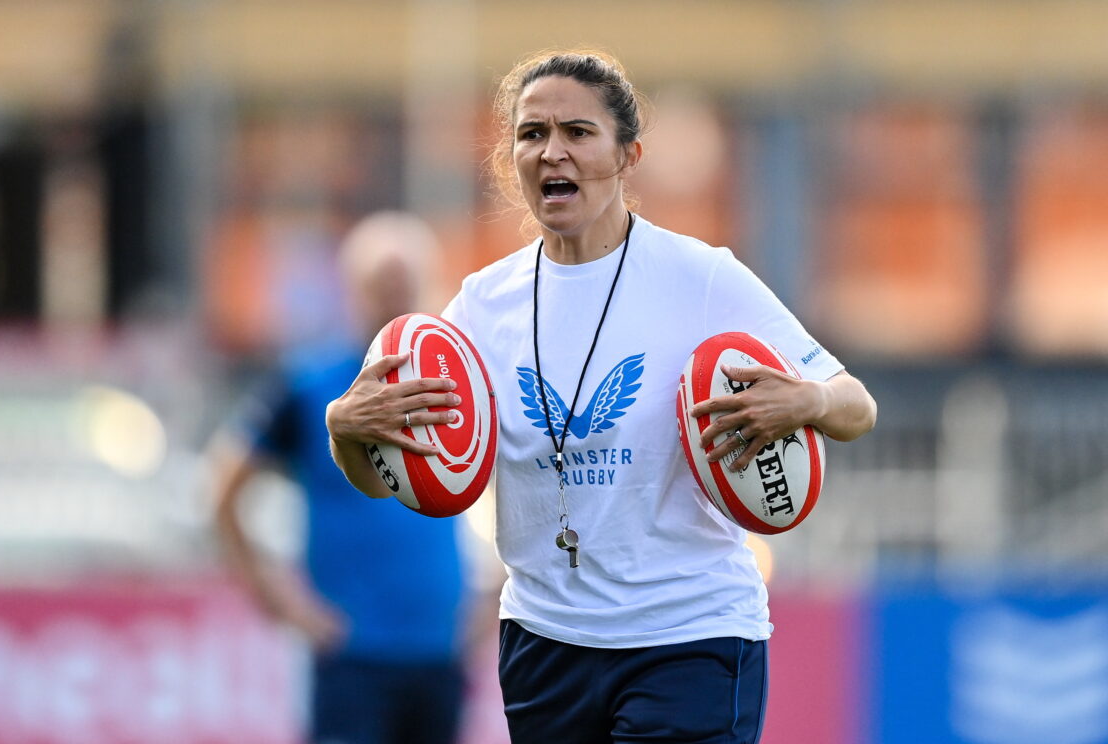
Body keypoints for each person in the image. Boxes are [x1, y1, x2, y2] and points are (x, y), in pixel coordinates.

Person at [325, 50, 878, 744]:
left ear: (627, 155)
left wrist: (806, 403)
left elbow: (856, 404)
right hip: (544, 644)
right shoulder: (479, 309)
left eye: (577, 133)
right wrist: (345, 430)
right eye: (532, 134)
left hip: (690, 637)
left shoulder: (700, 278)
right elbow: (386, 481)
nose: (552, 151)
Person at [211, 212, 471, 744]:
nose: (393, 301)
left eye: (405, 285)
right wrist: (279, 598)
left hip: (440, 649)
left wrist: (491, 597)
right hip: (352, 654)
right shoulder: (312, 385)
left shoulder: (451, 388)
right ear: (352, 290)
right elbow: (223, 487)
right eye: (381, 287)